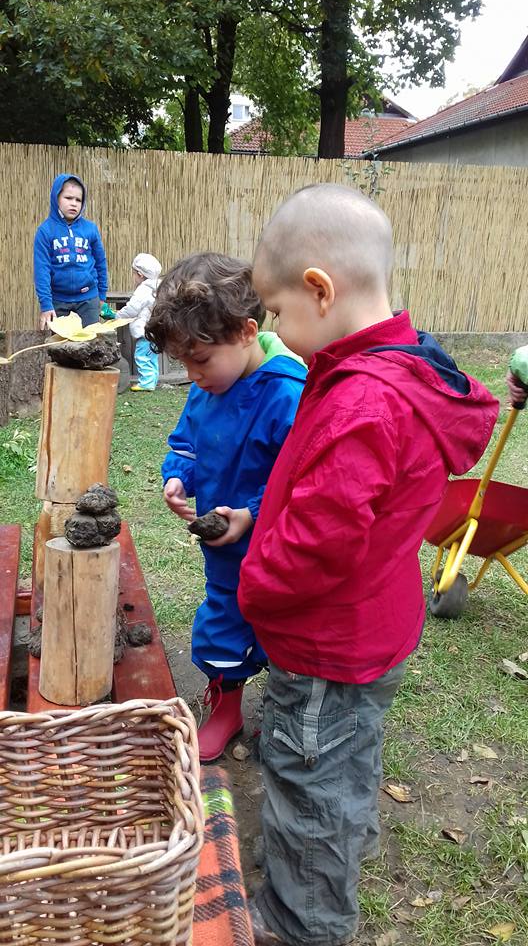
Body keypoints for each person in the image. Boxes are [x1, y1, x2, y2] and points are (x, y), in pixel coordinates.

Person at [237, 184, 500, 946]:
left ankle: (305, 918)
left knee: (309, 776)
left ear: (320, 290)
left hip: (329, 648)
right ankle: (340, 839)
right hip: (372, 630)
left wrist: (255, 583)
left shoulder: (365, 405)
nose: (275, 331)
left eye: (277, 311)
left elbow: (317, 544)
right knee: (342, 757)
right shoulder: (396, 368)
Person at [145, 252, 306, 762]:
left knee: (283, 629)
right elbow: (187, 442)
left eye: (200, 359)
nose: (193, 375)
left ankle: (287, 710)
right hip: (224, 549)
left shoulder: (287, 394)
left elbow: (299, 478)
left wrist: (253, 513)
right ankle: (227, 706)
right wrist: (178, 476)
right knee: (222, 620)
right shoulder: (207, 388)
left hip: (277, 549)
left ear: (245, 332)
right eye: (184, 363)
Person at [34, 173, 108, 330]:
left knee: (91, 342)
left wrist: (101, 295)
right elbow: (42, 270)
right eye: (68, 198)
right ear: (56, 198)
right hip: (58, 301)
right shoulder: (45, 231)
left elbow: (101, 262)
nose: (73, 203)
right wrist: (46, 305)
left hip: (89, 300)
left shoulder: (90, 229)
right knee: (59, 343)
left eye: (78, 200)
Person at [117, 253, 162, 392]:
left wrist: (117, 315)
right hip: (156, 330)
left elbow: (132, 309)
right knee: (151, 357)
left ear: (140, 274)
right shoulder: (159, 287)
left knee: (142, 356)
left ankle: (146, 383)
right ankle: (152, 380)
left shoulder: (143, 290)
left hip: (145, 331)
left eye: (133, 273)